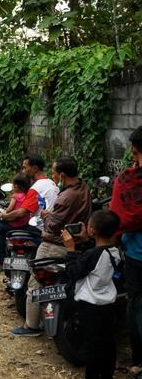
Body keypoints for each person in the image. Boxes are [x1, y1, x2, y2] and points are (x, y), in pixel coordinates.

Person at [11, 156, 91, 337]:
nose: (53, 176)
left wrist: (48, 215)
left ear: (62, 175)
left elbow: (54, 224)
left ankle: (30, 326)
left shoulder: (67, 195)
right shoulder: (84, 188)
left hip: (54, 244)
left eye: (54, 173)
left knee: (35, 283)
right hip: (73, 244)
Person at [62, 210, 121, 379]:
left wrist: (70, 249)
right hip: (108, 303)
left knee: (92, 346)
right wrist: (88, 241)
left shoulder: (92, 255)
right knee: (108, 342)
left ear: (92, 230)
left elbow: (73, 271)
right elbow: (97, 258)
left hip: (90, 306)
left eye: (89, 226)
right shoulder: (114, 251)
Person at [110, 125, 142, 375]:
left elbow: (118, 218)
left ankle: (138, 361)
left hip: (137, 255)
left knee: (138, 306)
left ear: (134, 150)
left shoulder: (129, 180)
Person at [0, 173, 38, 276]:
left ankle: (0, 261)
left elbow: (9, 210)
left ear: (16, 186)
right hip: (24, 225)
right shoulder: (28, 196)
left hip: (13, 225)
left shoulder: (15, 196)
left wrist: (2, 215)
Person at [22, 154, 60, 220]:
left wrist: (4, 215)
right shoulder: (50, 182)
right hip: (52, 222)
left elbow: (22, 213)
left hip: (40, 226)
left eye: (25, 168)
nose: (23, 171)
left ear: (35, 168)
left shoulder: (36, 188)